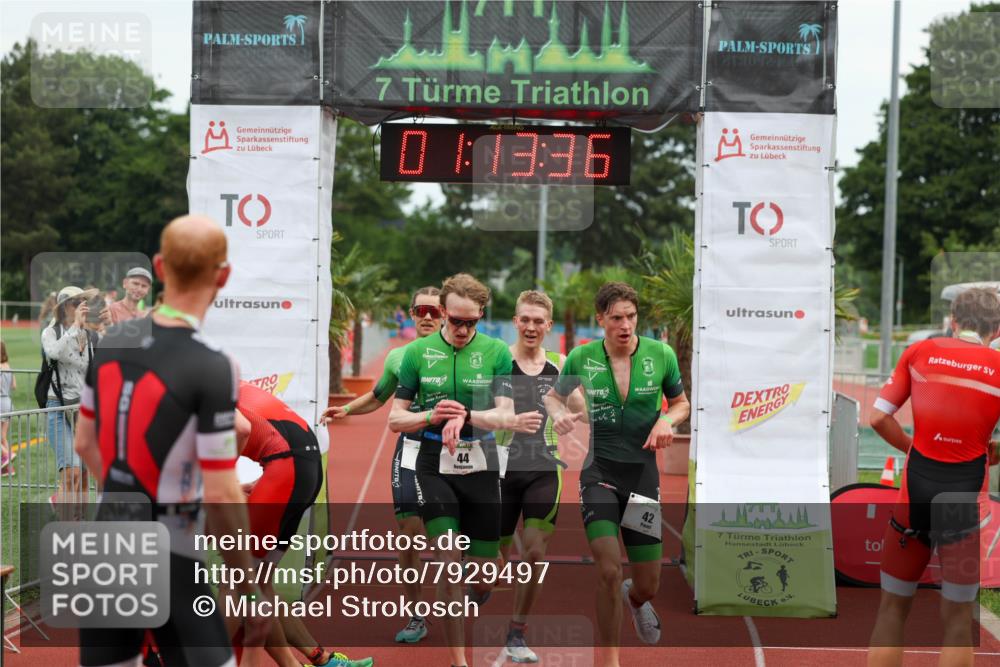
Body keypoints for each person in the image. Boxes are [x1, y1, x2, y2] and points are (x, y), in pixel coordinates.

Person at [73, 214, 269, 667]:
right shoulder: (213, 363)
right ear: (223, 275)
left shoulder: (111, 341)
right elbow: (221, 492)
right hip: (171, 546)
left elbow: (85, 443)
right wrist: (246, 586)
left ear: (159, 268)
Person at [389, 273, 542, 667]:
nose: (462, 329)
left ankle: (477, 589)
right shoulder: (417, 353)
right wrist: (431, 415)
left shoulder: (494, 353)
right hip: (431, 464)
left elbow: (506, 414)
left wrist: (467, 415)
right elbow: (394, 418)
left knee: (484, 574)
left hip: (481, 464)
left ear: (481, 316)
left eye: (471, 322)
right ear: (442, 313)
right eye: (455, 320)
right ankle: (460, 661)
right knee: (448, 562)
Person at [545, 282, 690, 667]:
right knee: (608, 569)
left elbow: (681, 404)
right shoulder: (582, 356)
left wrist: (666, 421)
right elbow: (553, 396)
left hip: (642, 480)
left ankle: (636, 598)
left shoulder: (660, 355)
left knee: (648, 583)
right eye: (616, 318)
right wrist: (559, 415)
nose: (625, 325)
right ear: (601, 320)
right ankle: (610, 660)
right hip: (600, 475)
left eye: (631, 317)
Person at [867, 287, 1000, 667]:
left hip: (917, 488)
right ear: (997, 328)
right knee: (958, 618)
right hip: (962, 498)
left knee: (892, 609)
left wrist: (912, 447)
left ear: (954, 321)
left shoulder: (920, 352)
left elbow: (877, 417)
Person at [322, 286, 443, 643]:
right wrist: (345, 409)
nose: (426, 317)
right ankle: (416, 614)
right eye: (420, 310)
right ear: (410, 312)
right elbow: (378, 397)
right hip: (410, 447)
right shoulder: (399, 357)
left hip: (453, 453)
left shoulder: (462, 355)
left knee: (447, 537)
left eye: (434, 312)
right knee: (409, 535)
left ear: (446, 315)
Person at [235, 381, 373, 667]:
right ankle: (320, 660)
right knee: (259, 585)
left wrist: (224, 482)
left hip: (286, 467)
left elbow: (241, 429)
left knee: (237, 583)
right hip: (301, 466)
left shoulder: (188, 388)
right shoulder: (217, 379)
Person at [495, 290, 585, 663]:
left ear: (548, 326)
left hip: (543, 468)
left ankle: (517, 631)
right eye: (525, 320)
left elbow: (582, 408)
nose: (531, 327)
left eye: (538, 321)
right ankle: (485, 576)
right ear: (516, 321)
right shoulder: (498, 360)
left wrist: (569, 414)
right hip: (497, 469)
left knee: (534, 551)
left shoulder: (561, 365)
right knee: (490, 564)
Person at [42, 285, 106, 507]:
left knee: (85, 475)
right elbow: (54, 352)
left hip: (83, 410)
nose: (81, 307)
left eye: (82, 302)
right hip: (58, 407)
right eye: (75, 303)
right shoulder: (52, 331)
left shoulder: (89, 336)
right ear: (63, 308)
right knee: (72, 473)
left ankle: (78, 523)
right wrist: (74, 327)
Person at [1, 340, 16, 475]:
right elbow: (14, 385)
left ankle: (7, 454)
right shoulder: (7, 366)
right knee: (3, 437)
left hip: (0, 402)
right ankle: (7, 469)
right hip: (8, 402)